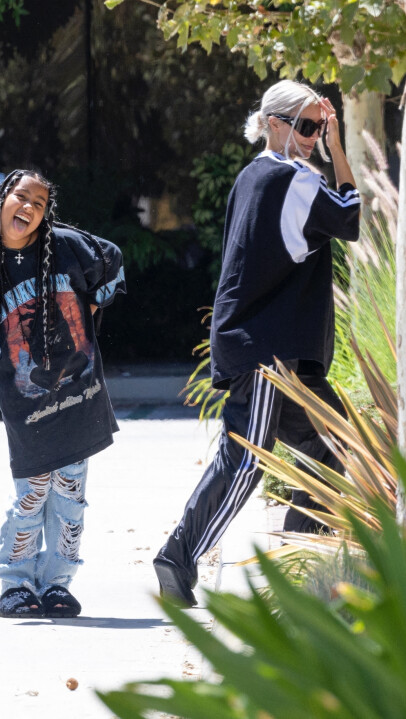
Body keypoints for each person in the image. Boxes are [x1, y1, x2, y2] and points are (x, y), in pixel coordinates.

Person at [153, 80, 361, 607]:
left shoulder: (252, 177)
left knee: (334, 449)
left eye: (321, 127)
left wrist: (329, 142)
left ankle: (301, 566)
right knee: (247, 456)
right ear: (273, 123)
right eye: (308, 126)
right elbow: (351, 216)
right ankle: (178, 556)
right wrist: (340, 150)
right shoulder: (289, 179)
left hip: (269, 345)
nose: (315, 136)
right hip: (267, 346)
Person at [0, 168, 125, 618]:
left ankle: (57, 583)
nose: (30, 206)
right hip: (27, 407)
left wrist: (87, 314)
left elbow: (110, 260)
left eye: (39, 202)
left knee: (70, 495)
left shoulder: (67, 247)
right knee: (32, 493)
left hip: (79, 398)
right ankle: (16, 583)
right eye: (22, 196)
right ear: (3, 201)